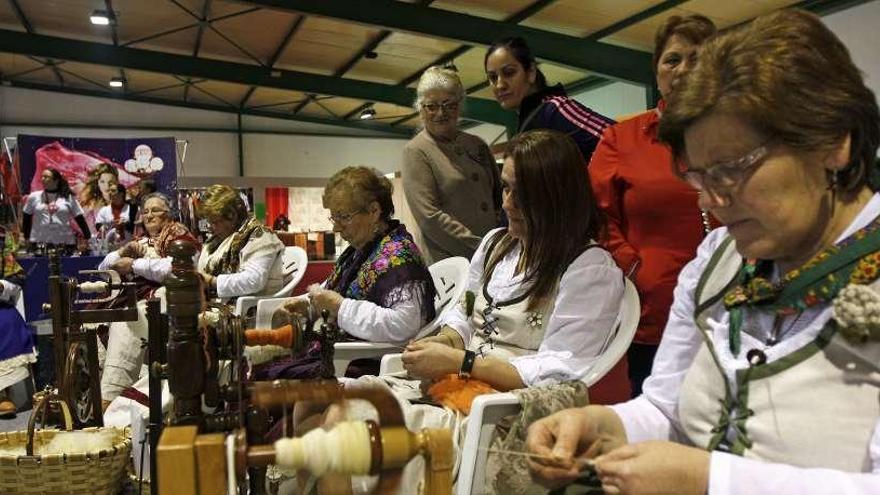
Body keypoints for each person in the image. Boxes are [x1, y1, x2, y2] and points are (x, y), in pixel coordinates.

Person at [526, 10, 880, 495]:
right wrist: (604, 426)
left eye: (733, 168)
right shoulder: (718, 258)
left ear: (835, 143)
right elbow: (665, 407)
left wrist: (709, 479)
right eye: (698, 175)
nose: (709, 200)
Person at [298, 130, 628, 493]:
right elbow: (463, 313)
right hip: (454, 387)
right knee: (319, 408)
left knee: (339, 427)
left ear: (556, 197)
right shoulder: (496, 245)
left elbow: (561, 373)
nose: (507, 204)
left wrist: (461, 362)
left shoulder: (588, 268)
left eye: (523, 194)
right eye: (505, 188)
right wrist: (443, 341)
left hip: (499, 414)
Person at [589, 15, 717, 396]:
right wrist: (633, 267)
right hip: (652, 312)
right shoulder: (621, 138)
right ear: (657, 70)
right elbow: (595, 214)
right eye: (672, 59)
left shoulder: (738, 133)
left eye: (697, 58)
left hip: (731, 304)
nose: (683, 70)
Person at [266, 166, 436, 378]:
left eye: (344, 217)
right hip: (345, 356)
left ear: (374, 211)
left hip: (370, 366)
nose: (337, 228)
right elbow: (331, 293)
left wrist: (341, 307)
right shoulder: (361, 251)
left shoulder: (399, 257)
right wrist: (308, 305)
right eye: (334, 218)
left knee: (269, 376)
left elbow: (403, 325)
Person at [98, 192, 199, 403]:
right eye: (145, 212)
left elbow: (173, 268)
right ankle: (104, 394)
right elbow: (103, 269)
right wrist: (121, 252)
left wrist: (134, 264)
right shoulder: (139, 241)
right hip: (139, 298)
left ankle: (111, 397)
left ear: (168, 214)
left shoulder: (180, 236)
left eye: (155, 210)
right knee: (91, 323)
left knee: (126, 322)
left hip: (169, 298)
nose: (149, 215)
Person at [401, 65, 502, 263]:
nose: (441, 113)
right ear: (420, 109)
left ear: (460, 105)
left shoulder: (477, 144)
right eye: (432, 106)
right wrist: (480, 248)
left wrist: (500, 242)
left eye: (449, 105)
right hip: (453, 262)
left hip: (493, 253)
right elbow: (429, 218)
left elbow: (497, 197)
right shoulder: (416, 151)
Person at [484, 36, 615, 162]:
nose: (500, 85)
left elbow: (623, 141)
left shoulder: (555, 109)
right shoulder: (529, 123)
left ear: (531, 72)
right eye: (493, 77)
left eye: (509, 73)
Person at [197, 184, 287, 300]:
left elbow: (254, 280)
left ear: (232, 216)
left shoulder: (260, 237)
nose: (210, 227)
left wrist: (211, 281)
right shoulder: (217, 240)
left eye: (215, 222)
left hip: (251, 309)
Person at [0, 229, 35, 418]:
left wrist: (2, 286)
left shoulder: (3, 239)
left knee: (7, 321)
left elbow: (15, 282)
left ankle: (3, 392)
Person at [22, 168, 91, 252]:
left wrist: (88, 238)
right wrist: (26, 238)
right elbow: (26, 219)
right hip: (39, 243)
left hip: (65, 243)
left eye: (46, 177)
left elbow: (80, 219)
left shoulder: (67, 197)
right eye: (42, 176)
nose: (42, 179)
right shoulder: (33, 197)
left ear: (56, 180)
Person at [95, 184, 132, 249]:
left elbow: (137, 227)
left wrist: (125, 224)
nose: (110, 193)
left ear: (121, 194)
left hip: (129, 245)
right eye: (109, 191)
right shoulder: (104, 210)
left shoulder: (131, 209)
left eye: (113, 191)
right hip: (109, 247)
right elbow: (98, 225)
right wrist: (104, 227)